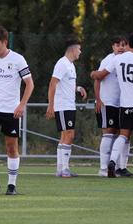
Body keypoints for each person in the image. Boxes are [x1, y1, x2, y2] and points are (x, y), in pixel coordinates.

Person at [91, 33, 133, 178]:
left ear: (128, 45)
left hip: (124, 104)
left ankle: (112, 161)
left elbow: (101, 75)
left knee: (123, 135)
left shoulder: (118, 59)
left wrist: (93, 73)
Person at [0, 25, 34, 196]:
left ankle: (12, 185)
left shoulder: (18, 59)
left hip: (11, 111)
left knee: (11, 148)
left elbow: (30, 84)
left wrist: (22, 105)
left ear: (4, 42)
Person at [46, 37, 87, 178]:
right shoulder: (62, 63)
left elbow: (67, 84)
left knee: (65, 135)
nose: (80, 52)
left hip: (69, 105)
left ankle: (60, 169)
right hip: (63, 105)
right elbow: (53, 84)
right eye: (79, 49)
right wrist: (51, 105)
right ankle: (64, 169)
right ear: (73, 49)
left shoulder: (71, 65)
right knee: (69, 134)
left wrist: (78, 88)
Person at [94, 36, 133, 177]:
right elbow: (97, 78)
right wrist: (98, 99)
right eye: (117, 45)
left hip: (121, 103)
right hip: (107, 101)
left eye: (123, 45)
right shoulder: (108, 60)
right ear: (113, 47)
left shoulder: (125, 60)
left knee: (122, 134)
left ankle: (119, 167)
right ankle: (103, 168)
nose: (121, 47)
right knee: (109, 132)